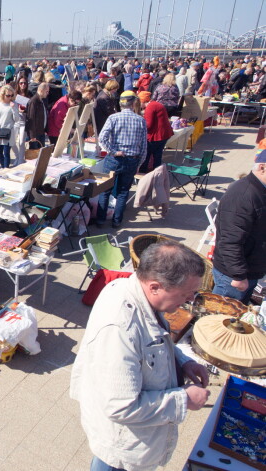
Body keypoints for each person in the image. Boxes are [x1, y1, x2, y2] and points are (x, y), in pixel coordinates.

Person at [71, 240, 210, 471]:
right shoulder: (120, 328)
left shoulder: (135, 290)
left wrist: (182, 362)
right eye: (186, 294)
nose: (189, 301)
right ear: (155, 286)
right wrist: (183, 399)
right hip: (123, 451)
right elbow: (120, 407)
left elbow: (152, 339)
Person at [211, 150, 266, 304]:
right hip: (234, 277)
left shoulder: (259, 190)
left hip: (250, 269)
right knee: (221, 317)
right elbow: (230, 241)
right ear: (262, 167)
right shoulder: (243, 195)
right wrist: (239, 275)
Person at [95, 91, 147, 229]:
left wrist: (113, 151)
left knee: (105, 189)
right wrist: (139, 163)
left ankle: (100, 220)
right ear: (133, 103)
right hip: (131, 159)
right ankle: (116, 221)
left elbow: (102, 138)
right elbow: (143, 147)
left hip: (115, 158)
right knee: (123, 191)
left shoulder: (114, 118)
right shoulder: (140, 120)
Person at [138, 91, 174, 174]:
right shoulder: (155, 104)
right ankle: (157, 173)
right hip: (164, 134)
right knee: (157, 155)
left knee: (146, 155)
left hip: (157, 135)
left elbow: (148, 125)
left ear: (143, 101)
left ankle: (143, 173)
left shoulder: (151, 107)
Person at [0, 85, 21, 169]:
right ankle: (2, 167)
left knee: (6, 153)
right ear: (2, 95)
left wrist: (14, 108)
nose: (9, 97)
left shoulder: (13, 104)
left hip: (8, 132)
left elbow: (17, 119)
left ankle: (6, 169)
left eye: (11, 95)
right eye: (8, 95)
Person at [25, 83, 50, 148]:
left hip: (41, 131)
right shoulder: (34, 101)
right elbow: (31, 119)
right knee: (34, 155)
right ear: (41, 91)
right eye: (46, 91)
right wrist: (32, 135)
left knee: (41, 153)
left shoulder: (42, 100)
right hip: (35, 134)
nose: (48, 93)